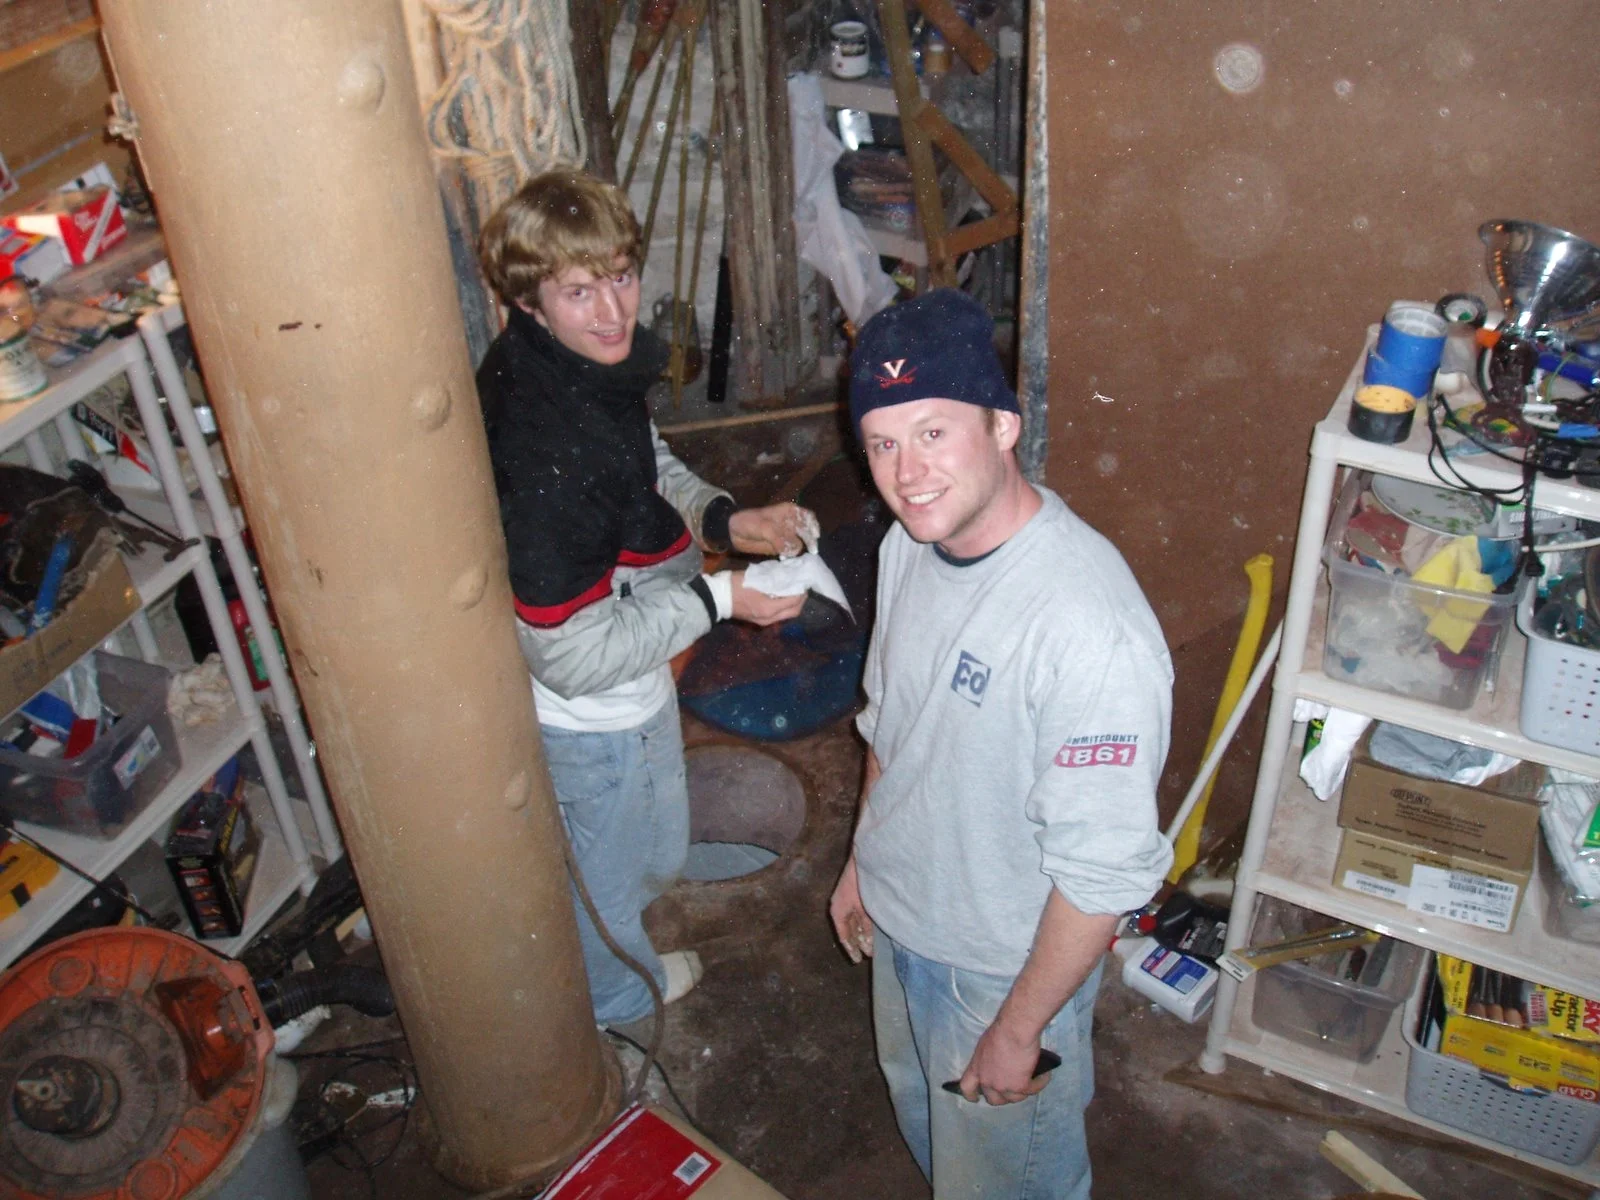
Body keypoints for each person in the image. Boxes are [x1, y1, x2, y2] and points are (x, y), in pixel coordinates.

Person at [828, 288, 1174, 1199]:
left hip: (998, 965)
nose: (907, 473)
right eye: (882, 443)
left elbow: (1102, 875)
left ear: (1004, 425)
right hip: (901, 917)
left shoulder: (1088, 628)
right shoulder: (909, 546)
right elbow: (890, 722)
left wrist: (1020, 1031)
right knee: (932, 1132)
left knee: (1010, 1183)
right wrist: (864, 860)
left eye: (933, 432)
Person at [475, 168, 812, 1026]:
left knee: (652, 850)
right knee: (614, 878)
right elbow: (571, 656)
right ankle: (619, 998)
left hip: (634, 661)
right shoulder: (547, 454)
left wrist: (725, 520)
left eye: (621, 277)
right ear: (529, 300)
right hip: (592, 715)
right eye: (579, 291)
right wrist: (720, 599)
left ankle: (622, 928)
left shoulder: (575, 366)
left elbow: (644, 459)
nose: (613, 312)